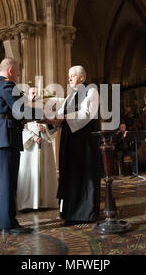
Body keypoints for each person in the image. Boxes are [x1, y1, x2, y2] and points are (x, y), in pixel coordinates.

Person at [0, 58, 38, 234]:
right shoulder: (7, 86)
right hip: (5, 138)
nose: (19, 75)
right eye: (18, 71)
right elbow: (20, 111)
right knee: (8, 181)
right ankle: (8, 223)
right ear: (11, 71)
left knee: (2, 180)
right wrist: (46, 114)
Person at [46, 65, 101, 225]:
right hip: (69, 141)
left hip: (85, 144)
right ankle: (70, 213)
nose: (69, 78)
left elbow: (86, 113)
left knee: (84, 176)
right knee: (69, 174)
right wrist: (49, 122)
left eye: (72, 75)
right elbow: (60, 116)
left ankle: (86, 213)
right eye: (68, 75)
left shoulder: (91, 91)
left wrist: (62, 117)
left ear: (82, 78)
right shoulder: (70, 96)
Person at [17, 87, 58, 211]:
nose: (35, 95)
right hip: (30, 147)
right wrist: (32, 136)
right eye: (32, 93)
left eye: (37, 93)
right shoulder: (23, 108)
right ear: (28, 95)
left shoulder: (45, 108)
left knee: (45, 172)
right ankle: (28, 203)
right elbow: (19, 127)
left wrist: (45, 129)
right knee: (30, 171)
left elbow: (54, 125)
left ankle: (46, 201)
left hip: (45, 144)